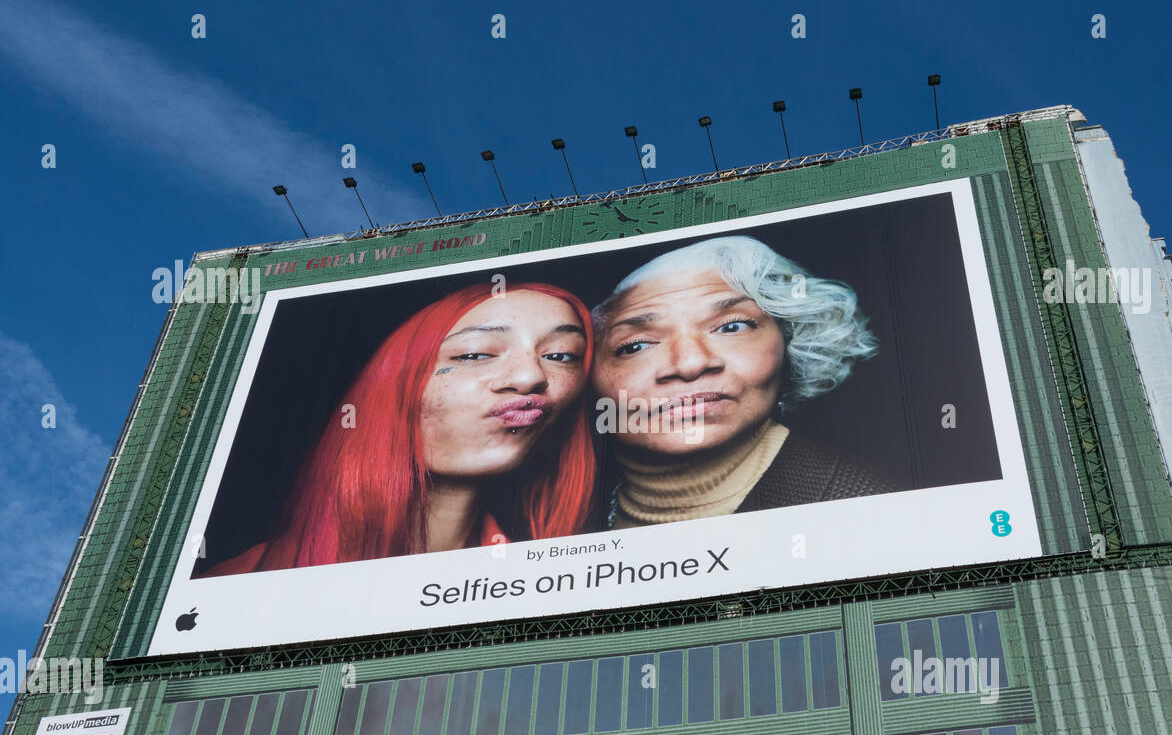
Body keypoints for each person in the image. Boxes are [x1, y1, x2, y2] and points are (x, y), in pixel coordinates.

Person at [201, 281, 596, 576]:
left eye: (561, 356)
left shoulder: (551, 584)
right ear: (393, 383)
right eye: (474, 354)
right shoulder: (237, 584)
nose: (531, 376)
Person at [590, 235, 898, 531]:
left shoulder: (868, 514)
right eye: (636, 346)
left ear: (789, 342)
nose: (690, 363)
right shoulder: (566, 509)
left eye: (731, 327)